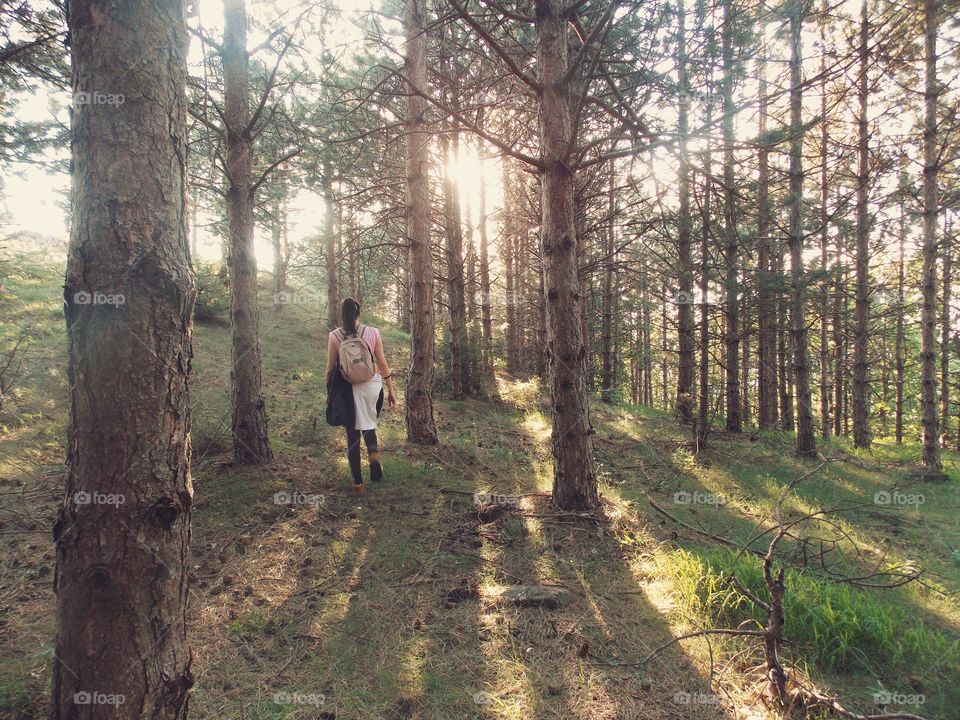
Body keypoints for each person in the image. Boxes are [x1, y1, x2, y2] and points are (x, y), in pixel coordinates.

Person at [325, 297, 396, 495]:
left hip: (349, 388)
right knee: (369, 423)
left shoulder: (335, 336)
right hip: (373, 386)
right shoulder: (372, 332)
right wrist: (390, 389)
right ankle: (373, 453)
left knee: (352, 434)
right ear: (359, 313)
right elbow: (382, 363)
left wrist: (329, 393)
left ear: (342, 314)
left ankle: (358, 484)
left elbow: (330, 370)